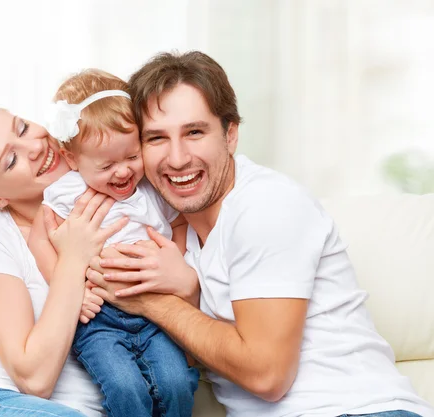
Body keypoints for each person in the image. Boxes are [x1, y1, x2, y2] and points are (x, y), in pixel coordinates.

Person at [81, 51, 434, 417]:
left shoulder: (267, 206)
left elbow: (268, 375)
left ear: (230, 135)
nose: (177, 158)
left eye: (195, 132)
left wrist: (153, 301)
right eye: (156, 138)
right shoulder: (162, 228)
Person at [0, 105, 129, 416]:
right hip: (4, 404)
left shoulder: (121, 192)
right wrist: (72, 261)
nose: (37, 146)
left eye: (22, 127)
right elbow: (35, 380)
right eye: (11, 160)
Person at [30, 69, 199, 417]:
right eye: (106, 164)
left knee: (176, 382)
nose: (123, 172)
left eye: (131, 157)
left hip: (157, 312)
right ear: (73, 159)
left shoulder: (151, 190)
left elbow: (180, 220)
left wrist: (177, 259)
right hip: (99, 319)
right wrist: (70, 289)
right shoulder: (68, 192)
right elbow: (39, 240)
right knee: (125, 387)